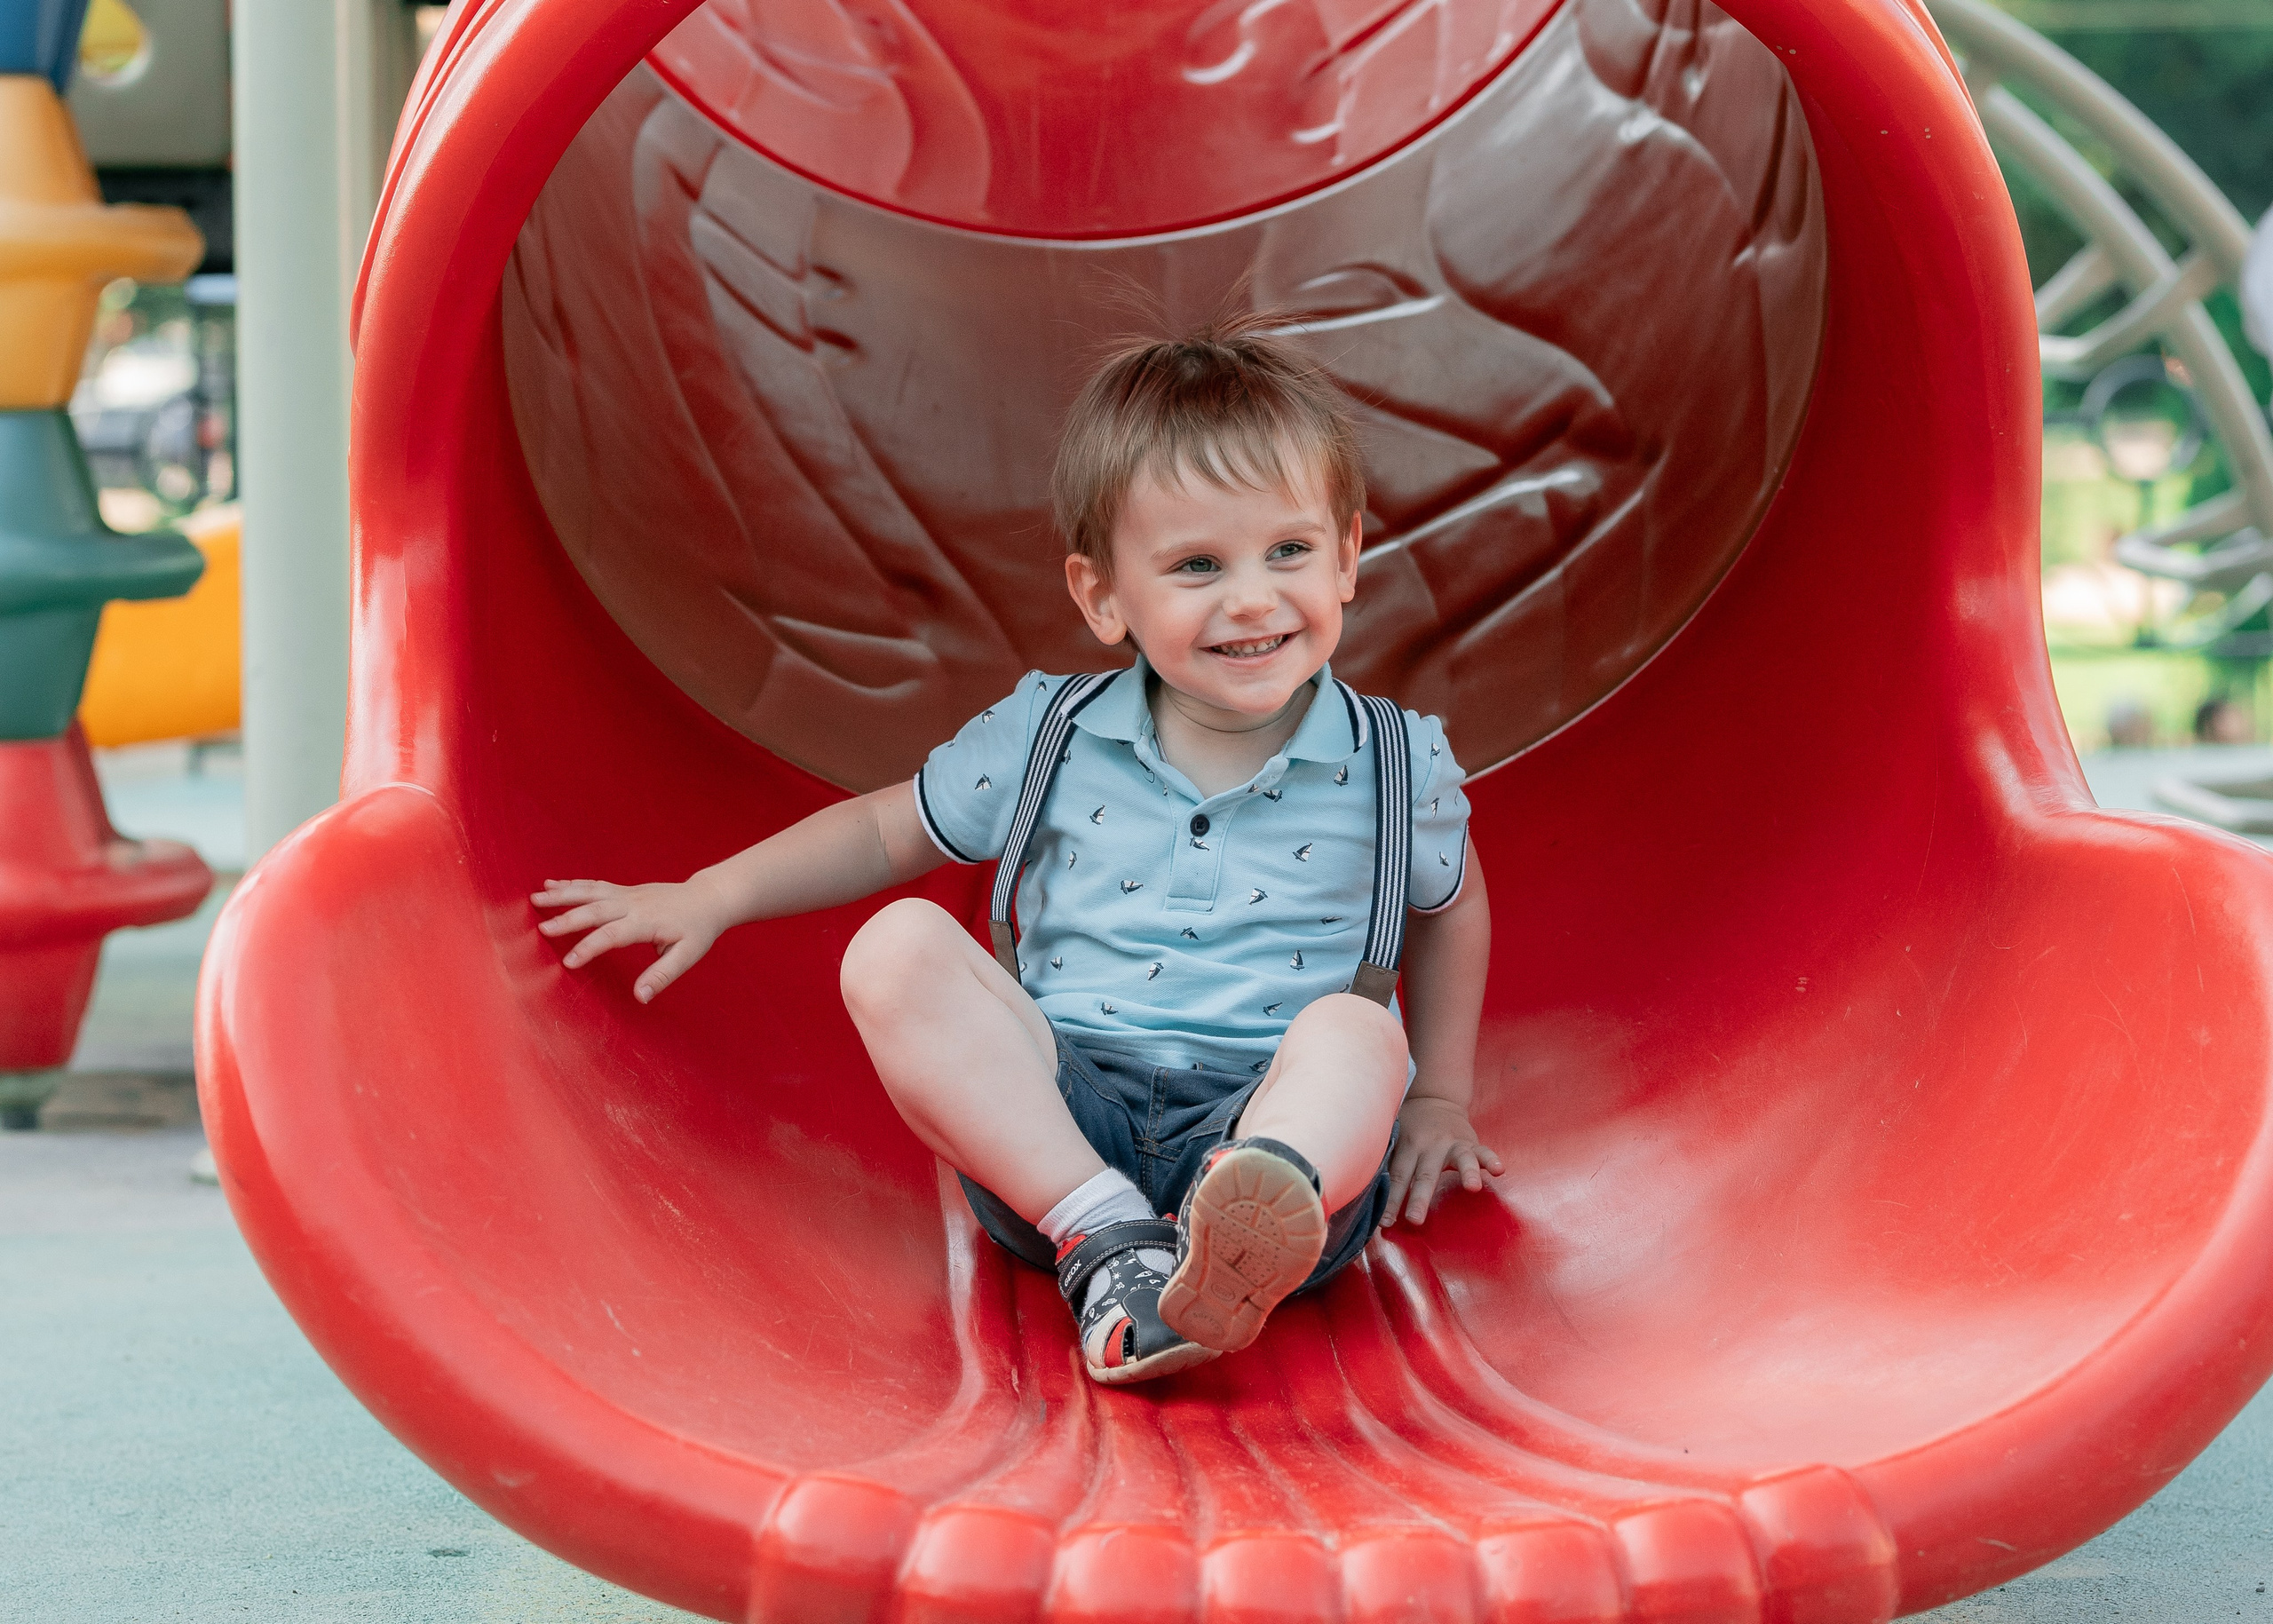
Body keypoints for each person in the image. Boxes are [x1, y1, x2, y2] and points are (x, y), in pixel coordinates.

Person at [532, 315, 1500, 1385]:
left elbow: (1447, 904)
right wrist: (714, 893)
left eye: (1289, 550)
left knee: (1356, 1031)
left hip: (1279, 1122)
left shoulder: (1395, 762)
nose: (1253, 598)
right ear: (1101, 595)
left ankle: (1252, 1205)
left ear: (1348, 554)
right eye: (1195, 564)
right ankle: (1107, 1236)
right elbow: (887, 828)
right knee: (895, 945)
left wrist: (1439, 1096)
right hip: (1057, 1123)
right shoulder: (1052, 732)